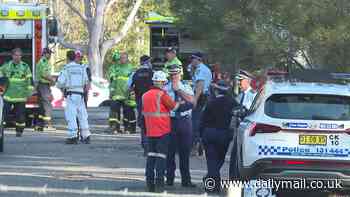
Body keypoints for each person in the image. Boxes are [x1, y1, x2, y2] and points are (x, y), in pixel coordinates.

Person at [143, 71, 180, 193]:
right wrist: (180, 103)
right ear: (163, 82)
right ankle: (159, 184)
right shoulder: (162, 95)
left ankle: (149, 182)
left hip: (150, 131)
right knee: (161, 158)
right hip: (163, 131)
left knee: (151, 157)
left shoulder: (145, 95)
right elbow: (173, 107)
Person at [201, 80, 237, 193]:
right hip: (224, 135)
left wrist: (199, 136)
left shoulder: (210, 102)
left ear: (216, 90)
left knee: (212, 161)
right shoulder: (232, 102)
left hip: (209, 134)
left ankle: (211, 184)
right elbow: (242, 111)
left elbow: (202, 120)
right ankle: (212, 185)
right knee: (219, 160)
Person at [164, 64, 196, 188]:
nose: (174, 77)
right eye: (171, 74)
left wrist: (178, 90)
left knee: (184, 152)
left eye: (176, 74)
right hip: (170, 120)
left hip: (184, 121)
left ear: (180, 74)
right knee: (170, 152)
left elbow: (192, 101)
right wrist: (180, 103)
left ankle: (186, 180)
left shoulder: (186, 86)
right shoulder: (165, 88)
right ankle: (170, 179)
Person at [56, 50, 91, 144]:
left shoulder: (66, 68)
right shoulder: (82, 68)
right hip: (81, 95)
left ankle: (73, 136)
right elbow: (86, 82)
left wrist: (61, 87)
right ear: (75, 57)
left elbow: (60, 83)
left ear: (67, 58)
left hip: (71, 95)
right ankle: (86, 136)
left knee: (71, 115)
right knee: (82, 115)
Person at [229, 70, 257, 179]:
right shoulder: (240, 95)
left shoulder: (252, 95)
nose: (239, 83)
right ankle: (233, 180)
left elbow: (250, 112)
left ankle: (239, 180)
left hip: (246, 130)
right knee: (234, 156)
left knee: (241, 156)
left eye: (241, 81)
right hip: (238, 129)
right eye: (238, 81)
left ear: (247, 81)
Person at [0, 48, 33, 137]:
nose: (18, 57)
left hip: (20, 96)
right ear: (12, 56)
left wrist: (29, 91)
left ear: (21, 56)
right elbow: (1, 74)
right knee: (3, 114)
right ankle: (1, 130)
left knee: (20, 116)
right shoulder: (7, 66)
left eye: (19, 55)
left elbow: (29, 79)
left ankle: (19, 131)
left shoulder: (25, 66)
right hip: (8, 95)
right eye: (16, 55)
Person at [128, 55, 153, 152]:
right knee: (150, 121)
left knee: (142, 121)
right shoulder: (152, 73)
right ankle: (149, 144)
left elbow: (128, 87)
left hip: (140, 100)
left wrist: (135, 90)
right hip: (151, 100)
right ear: (147, 62)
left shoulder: (135, 73)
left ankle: (144, 143)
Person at [190, 52, 212, 156]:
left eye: (193, 59)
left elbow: (200, 85)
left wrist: (195, 99)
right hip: (204, 96)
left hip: (201, 97)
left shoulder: (201, 69)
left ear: (198, 59)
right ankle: (200, 145)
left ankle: (195, 146)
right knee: (201, 121)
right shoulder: (202, 69)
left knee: (196, 121)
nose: (191, 61)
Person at [107, 51, 134, 134]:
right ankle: (115, 128)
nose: (122, 60)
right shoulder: (114, 67)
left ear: (127, 59)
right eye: (120, 58)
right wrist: (111, 92)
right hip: (116, 94)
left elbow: (132, 80)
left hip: (126, 94)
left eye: (123, 58)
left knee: (127, 112)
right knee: (114, 112)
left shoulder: (130, 67)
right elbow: (112, 79)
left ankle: (127, 128)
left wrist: (132, 92)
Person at [36, 48, 55, 131]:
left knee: (42, 106)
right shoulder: (43, 62)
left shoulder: (45, 62)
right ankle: (48, 125)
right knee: (47, 105)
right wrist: (52, 80)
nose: (50, 55)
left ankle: (39, 125)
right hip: (43, 85)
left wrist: (50, 81)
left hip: (43, 85)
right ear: (45, 53)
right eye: (49, 54)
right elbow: (44, 74)